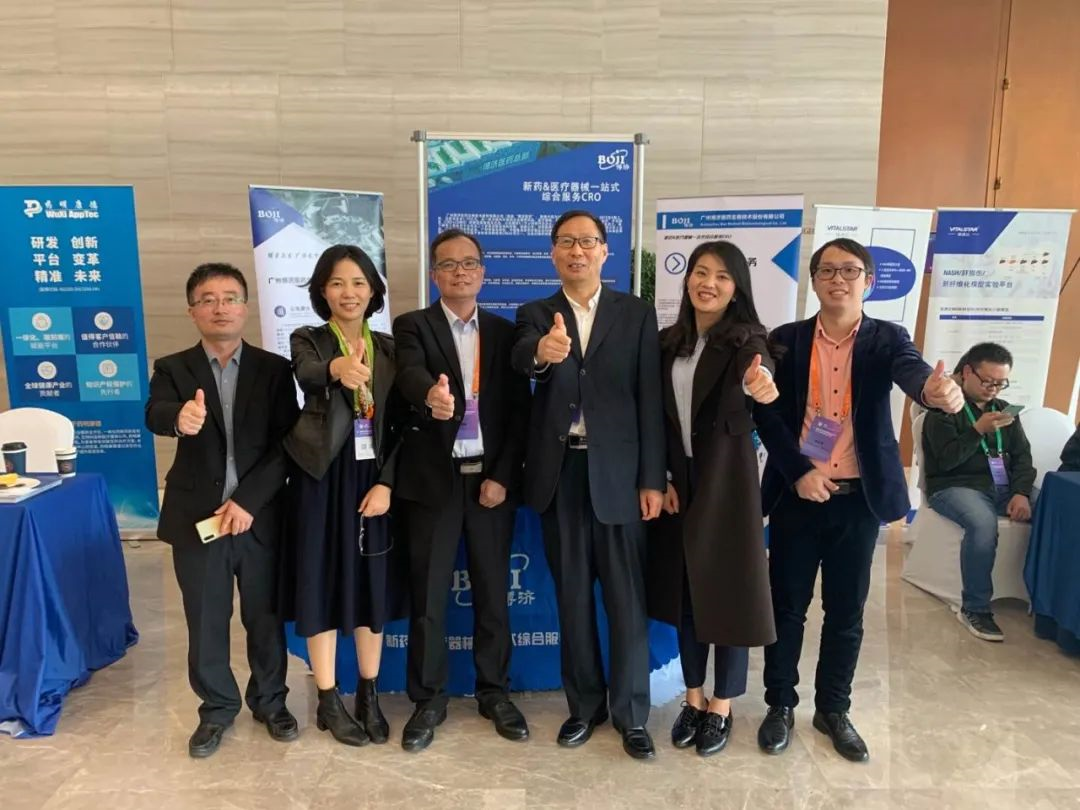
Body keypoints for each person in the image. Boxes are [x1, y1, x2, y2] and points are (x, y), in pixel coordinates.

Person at [753, 238, 964, 763]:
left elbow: (913, 371)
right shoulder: (786, 340)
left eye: (849, 271)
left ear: (868, 282)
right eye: (827, 270)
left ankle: (833, 709)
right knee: (787, 607)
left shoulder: (886, 338)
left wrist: (934, 392)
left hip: (857, 499)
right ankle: (779, 705)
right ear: (814, 281)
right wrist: (799, 472)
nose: (838, 280)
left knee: (845, 611)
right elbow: (767, 415)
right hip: (798, 494)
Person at [511, 209, 666, 760]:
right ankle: (584, 707)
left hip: (621, 477)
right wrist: (541, 354)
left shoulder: (636, 313)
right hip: (562, 476)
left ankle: (631, 714)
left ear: (605, 250)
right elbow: (521, 358)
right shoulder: (534, 314)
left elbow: (650, 398)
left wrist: (652, 478)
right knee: (573, 599)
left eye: (587, 242)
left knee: (627, 601)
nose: (577, 251)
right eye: (566, 242)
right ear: (553, 252)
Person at [145, 263, 299, 758]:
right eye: (207, 299)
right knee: (206, 619)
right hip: (198, 520)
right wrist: (179, 417)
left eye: (230, 297)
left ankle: (271, 701)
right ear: (192, 311)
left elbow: (288, 444)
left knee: (265, 617)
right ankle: (216, 709)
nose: (220, 307)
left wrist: (247, 501)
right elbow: (155, 413)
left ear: (245, 307)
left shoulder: (274, 370)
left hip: (259, 517)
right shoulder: (173, 368)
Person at [392, 229, 532, 752]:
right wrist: (429, 394)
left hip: (489, 481)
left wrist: (503, 476)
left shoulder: (503, 332)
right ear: (434, 274)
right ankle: (429, 699)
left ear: (483, 272)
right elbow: (408, 372)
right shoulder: (413, 325)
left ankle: (495, 692)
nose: (460, 272)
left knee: (493, 593)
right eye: (448, 264)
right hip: (435, 481)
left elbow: (519, 411)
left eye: (469, 263)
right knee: (429, 597)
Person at [647, 241, 780, 758]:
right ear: (687, 280)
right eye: (701, 272)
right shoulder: (668, 342)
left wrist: (759, 382)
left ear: (737, 288)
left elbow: (758, 371)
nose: (709, 283)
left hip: (727, 484)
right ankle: (694, 697)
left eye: (723, 276)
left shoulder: (746, 338)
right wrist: (661, 475)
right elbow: (656, 417)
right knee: (686, 593)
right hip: (678, 483)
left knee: (728, 594)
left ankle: (722, 704)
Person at [280, 244, 405, 747]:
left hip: (373, 479)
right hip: (320, 477)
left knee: (373, 580)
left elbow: (402, 423)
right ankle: (328, 699)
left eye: (357, 283)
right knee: (320, 580)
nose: (348, 292)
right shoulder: (308, 339)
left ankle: (369, 694)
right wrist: (338, 369)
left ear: (373, 290)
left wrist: (388, 483)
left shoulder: (391, 348)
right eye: (336, 283)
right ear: (322, 291)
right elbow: (307, 373)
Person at [923, 342, 1037, 641]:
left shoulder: (1004, 410)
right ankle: (975, 607)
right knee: (983, 523)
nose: (993, 389)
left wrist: (1021, 492)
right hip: (954, 486)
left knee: (1054, 507)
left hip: (1002, 487)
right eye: (988, 381)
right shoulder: (943, 409)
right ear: (967, 372)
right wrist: (977, 431)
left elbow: (1023, 457)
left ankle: (1045, 595)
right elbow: (945, 462)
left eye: (1001, 383)